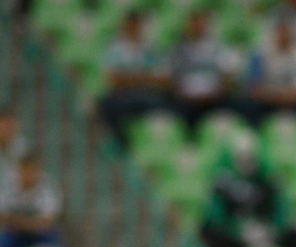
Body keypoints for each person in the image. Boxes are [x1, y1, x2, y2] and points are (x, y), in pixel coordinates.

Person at [97, 11, 171, 147]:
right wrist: (143, 77)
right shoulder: (115, 49)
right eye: (130, 25)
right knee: (106, 106)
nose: (134, 28)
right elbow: (114, 79)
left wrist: (129, 77)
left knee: (168, 108)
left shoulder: (150, 48)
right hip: (123, 95)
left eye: (136, 25)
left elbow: (162, 79)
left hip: (147, 95)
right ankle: (120, 144)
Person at [245, 21, 296, 138]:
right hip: (269, 99)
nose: (283, 37)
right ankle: (252, 139)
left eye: (287, 33)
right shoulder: (260, 53)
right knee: (250, 105)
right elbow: (254, 86)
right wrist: (275, 97)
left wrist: (288, 96)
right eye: (280, 33)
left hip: (294, 99)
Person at [167, 10, 241, 133]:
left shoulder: (219, 49)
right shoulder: (178, 50)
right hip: (185, 101)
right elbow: (171, 78)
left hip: (214, 101)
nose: (197, 27)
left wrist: (218, 93)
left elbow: (228, 76)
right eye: (194, 23)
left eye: (200, 23)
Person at [0, 154, 61, 247]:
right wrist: (31, 222)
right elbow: (2, 217)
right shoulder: (8, 187)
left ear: (38, 172)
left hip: (39, 236)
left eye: (31, 171)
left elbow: (47, 222)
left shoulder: (48, 188)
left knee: (52, 239)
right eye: (24, 171)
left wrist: (17, 221)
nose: (28, 175)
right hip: (14, 234)